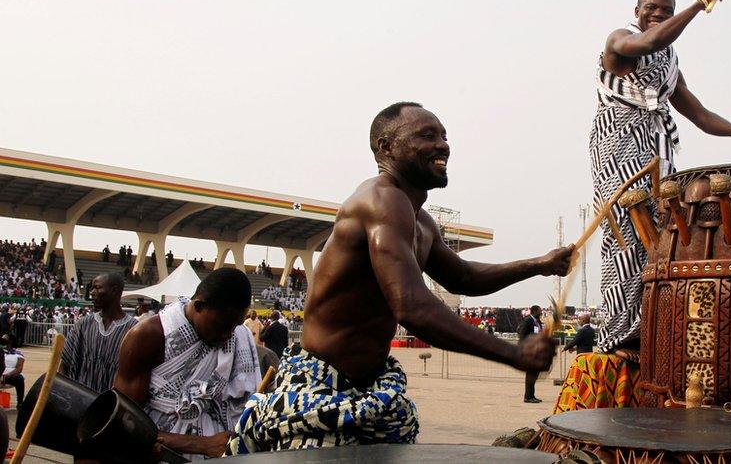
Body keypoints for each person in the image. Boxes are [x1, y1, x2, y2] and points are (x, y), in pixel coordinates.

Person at [226, 103, 572, 454]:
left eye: (444, 135)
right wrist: (512, 353)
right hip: (324, 387)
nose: (443, 145)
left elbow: (464, 277)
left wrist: (539, 264)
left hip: (371, 386)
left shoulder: (420, 221)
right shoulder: (381, 200)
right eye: (427, 135)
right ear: (386, 147)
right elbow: (411, 306)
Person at [591, 0, 731, 355]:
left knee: (658, 234)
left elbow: (701, 115)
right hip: (618, 141)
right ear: (637, 9)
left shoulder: (669, 61)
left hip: (657, 146)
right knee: (625, 230)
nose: (658, 13)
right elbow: (647, 44)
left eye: (665, 10)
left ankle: (650, 323)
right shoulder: (620, 39)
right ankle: (619, 334)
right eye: (652, 8)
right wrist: (700, 4)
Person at [113, 268, 260, 459]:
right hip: (158, 454)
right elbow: (123, 422)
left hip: (222, 453)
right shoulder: (149, 336)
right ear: (198, 305)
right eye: (221, 326)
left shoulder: (239, 336)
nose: (228, 335)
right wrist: (199, 444)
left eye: (234, 327)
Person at [60, 273, 137, 393]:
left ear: (114, 290)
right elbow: (64, 364)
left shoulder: (134, 330)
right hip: (81, 402)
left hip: (114, 405)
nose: (91, 292)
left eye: (97, 287)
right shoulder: (83, 324)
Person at [517, 306, 544, 403]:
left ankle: (532, 395)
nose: (541, 312)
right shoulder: (528, 321)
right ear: (534, 311)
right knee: (530, 374)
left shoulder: (538, 322)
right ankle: (527, 397)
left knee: (534, 374)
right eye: (539, 311)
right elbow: (522, 335)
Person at [0, 334, 25, 408]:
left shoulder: (18, 353)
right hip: (0, 373)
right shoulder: (0, 351)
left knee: (19, 378)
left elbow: (19, 369)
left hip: (9, 375)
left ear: (10, 341)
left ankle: (20, 403)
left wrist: (8, 375)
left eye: (4, 339)